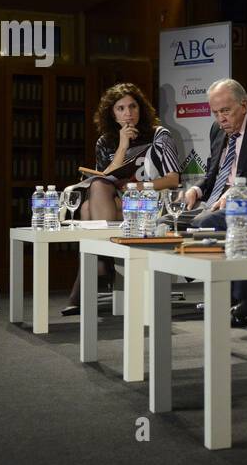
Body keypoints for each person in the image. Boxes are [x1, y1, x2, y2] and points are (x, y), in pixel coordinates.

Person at [62, 83, 181, 314]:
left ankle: (95, 271)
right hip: (116, 204)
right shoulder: (105, 142)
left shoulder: (159, 135)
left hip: (147, 205)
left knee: (87, 209)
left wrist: (138, 185)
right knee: (92, 197)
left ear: (141, 108)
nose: (128, 113)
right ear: (112, 113)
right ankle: (103, 263)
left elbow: (173, 179)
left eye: (133, 106)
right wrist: (123, 144)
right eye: (121, 108)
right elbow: (104, 179)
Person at [181, 78, 247, 326]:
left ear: (244, 105)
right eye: (215, 113)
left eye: (225, 111)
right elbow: (213, 172)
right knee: (165, 222)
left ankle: (232, 297)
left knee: (202, 223)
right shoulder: (217, 129)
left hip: (244, 204)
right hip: (212, 200)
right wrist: (196, 188)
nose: (220, 119)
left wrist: (237, 192)